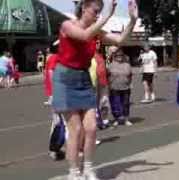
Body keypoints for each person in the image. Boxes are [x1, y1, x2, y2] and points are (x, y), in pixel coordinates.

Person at [51, 0, 138, 179]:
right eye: (95, 11)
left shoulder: (96, 30)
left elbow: (120, 39)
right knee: (75, 129)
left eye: (99, 12)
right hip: (65, 78)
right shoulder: (67, 25)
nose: (98, 15)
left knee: (91, 128)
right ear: (84, 8)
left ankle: (88, 168)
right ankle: (74, 172)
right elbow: (83, 36)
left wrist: (132, 20)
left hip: (83, 78)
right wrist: (107, 15)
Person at [108, 48, 133, 127]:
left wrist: (130, 83)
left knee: (126, 103)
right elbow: (107, 76)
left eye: (121, 55)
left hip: (126, 87)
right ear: (114, 56)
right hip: (114, 87)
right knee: (116, 104)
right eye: (118, 55)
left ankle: (126, 119)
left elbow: (130, 75)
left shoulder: (127, 65)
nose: (120, 57)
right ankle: (116, 119)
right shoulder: (110, 65)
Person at [89, 40, 111, 129]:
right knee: (94, 103)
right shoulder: (89, 55)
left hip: (103, 82)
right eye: (96, 43)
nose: (98, 44)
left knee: (104, 101)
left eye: (99, 43)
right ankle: (96, 121)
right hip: (93, 82)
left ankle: (105, 120)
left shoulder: (101, 55)